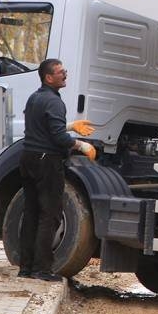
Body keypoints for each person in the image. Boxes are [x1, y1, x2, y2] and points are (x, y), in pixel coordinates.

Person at [18, 58, 95, 281]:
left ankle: (26, 268)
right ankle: (42, 270)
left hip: (28, 158)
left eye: (65, 70)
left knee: (31, 213)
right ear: (48, 77)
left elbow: (41, 125)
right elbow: (59, 138)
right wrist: (81, 145)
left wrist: (70, 125)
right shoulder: (54, 102)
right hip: (47, 162)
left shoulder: (35, 97)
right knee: (49, 215)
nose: (65, 74)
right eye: (60, 72)